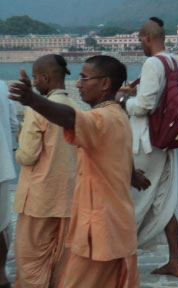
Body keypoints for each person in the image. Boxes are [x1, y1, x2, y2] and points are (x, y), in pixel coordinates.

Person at [9, 55, 148, 288]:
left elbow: (70, 119)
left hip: (100, 230)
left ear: (104, 83)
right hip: (109, 226)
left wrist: (32, 100)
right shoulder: (117, 115)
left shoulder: (102, 117)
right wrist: (132, 174)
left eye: (84, 78)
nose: (78, 84)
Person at [118, 17, 178, 277]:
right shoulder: (173, 61)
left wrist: (123, 101)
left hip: (145, 143)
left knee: (133, 200)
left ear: (147, 36)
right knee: (164, 203)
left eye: (139, 39)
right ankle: (175, 261)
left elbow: (145, 106)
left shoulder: (152, 63)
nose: (140, 44)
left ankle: (123, 264)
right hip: (164, 141)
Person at [13, 55, 78, 288]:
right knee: (63, 258)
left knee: (31, 259)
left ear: (45, 77)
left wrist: (18, 145)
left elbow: (28, 156)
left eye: (35, 77)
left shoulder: (37, 109)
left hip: (39, 199)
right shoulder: (75, 109)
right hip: (69, 197)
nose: (34, 82)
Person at [0, 80, 19, 288]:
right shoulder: (2, 86)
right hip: (1, 166)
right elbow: (14, 124)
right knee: (1, 224)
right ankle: (1, 274)